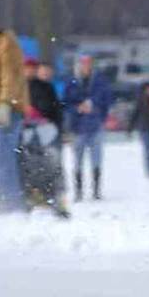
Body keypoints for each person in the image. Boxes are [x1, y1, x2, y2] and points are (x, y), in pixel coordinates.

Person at [0, 13, 30, 212]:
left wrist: (6, 103)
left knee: (1, 164)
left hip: (2, 112)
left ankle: (13, 209)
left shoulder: (5, 43)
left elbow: (11, 76)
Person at [62, 54, 112, 201]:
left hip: (95, 125)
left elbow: (107, 100)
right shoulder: (71, 82)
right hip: (78, 127)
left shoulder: (100, 81)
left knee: (96, 159)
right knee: (77, 160)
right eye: (83, 63)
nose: (86, 66)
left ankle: (96, 190)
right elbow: (65, 103)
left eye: (88, 63)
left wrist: (94, 107)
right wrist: (77, 108)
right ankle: (78, 191)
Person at [21, 58, 68, 216]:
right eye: (27, 68)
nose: (30, 71)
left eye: (33, 68)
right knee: (28, 168)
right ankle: (33, 198)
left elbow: (55, 110)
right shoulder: (18, 87)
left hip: (47, 133)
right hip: (25, 135)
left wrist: (41, 115)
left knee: (52, 166)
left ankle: (57, 199)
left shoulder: (46, 87)